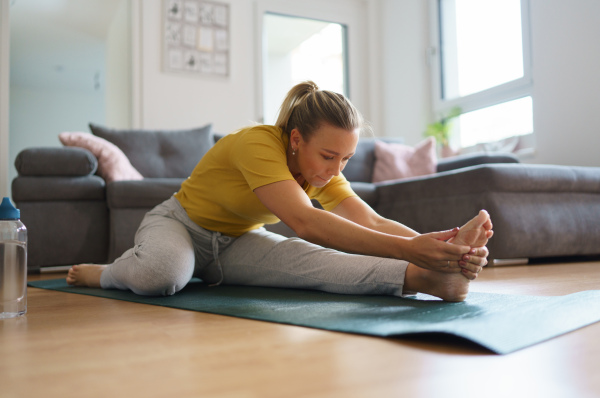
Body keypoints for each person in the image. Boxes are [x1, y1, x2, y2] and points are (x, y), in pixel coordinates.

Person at [67, 81, 493, 302]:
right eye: (329, 156)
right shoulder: (257, 143)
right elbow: (306, 221)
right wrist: (409, 247)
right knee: (164, 275)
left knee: (318, 264)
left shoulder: (324, 170)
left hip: (236, 243)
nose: (335, 169)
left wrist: (435, 247)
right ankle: (105, 273)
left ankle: (429, 280)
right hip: (180, 224)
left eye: (345, 159)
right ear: (294, 140)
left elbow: (369, 220)